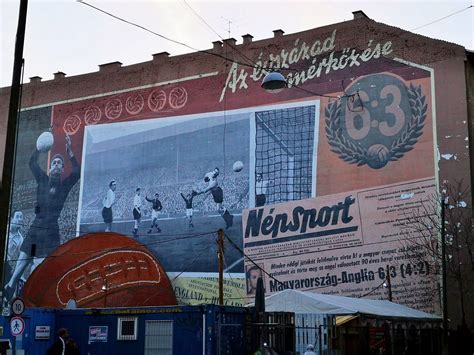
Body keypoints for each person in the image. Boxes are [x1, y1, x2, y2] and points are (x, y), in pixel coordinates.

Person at [4, 134, 79, 302]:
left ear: (61, 170)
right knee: (24, 258)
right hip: (36, 227)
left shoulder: (64, 186)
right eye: (54, 162)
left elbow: (76, 172)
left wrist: (69, 152)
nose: (57, 164)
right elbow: (32, 163)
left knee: (42, 264)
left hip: (51, 230)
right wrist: (39, 149)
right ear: (50, 168)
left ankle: (34, 294)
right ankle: (10, 286)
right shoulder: (42, 179)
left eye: (60, 163)